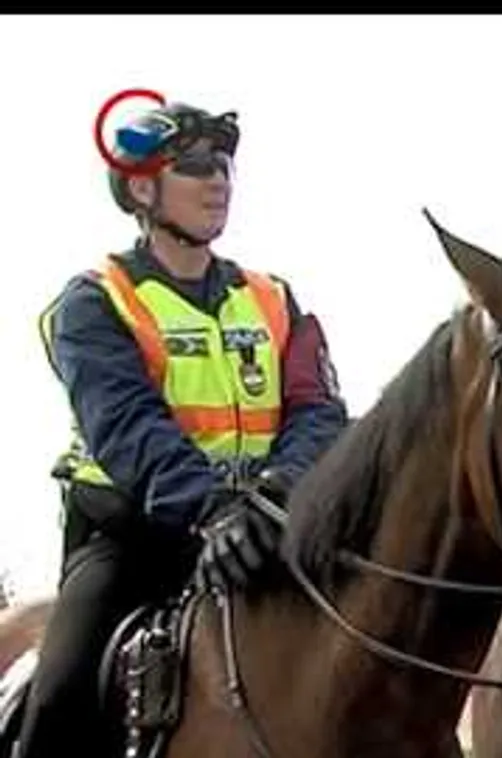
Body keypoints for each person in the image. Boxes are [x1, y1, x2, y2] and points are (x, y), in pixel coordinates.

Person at [13, 100, 349, 758]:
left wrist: (276, 492)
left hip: (270, 532)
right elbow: (126, 425)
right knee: (60, 697)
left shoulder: (275, 298)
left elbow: (317, 410)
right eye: (196, 166)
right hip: (135, 540)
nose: (219, 180)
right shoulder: (95, 301)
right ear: (142, 187)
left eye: (224, 165)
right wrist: (211, 509)